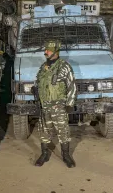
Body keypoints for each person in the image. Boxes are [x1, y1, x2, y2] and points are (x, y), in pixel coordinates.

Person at [34, 40, 77, 168]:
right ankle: (44, 154)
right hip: (44, 105)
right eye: (46, 50)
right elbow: (38, 81)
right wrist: (35, 88)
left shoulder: (64, 66)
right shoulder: (43, 67)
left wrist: (69, 103)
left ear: (55, 52)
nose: (45, 52)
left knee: (63, 131)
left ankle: (66, 156)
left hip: (58, 105)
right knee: (44, 131)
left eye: (48, 50)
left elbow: (72, 86)